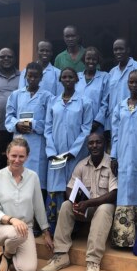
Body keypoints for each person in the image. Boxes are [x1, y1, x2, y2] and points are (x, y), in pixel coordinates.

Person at [40, 132, 117, 271]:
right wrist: (75, 202)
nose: (94, 146)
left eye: (98, 142)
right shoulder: (82, 165)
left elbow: (113, 194)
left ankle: (93, 262)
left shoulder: (111, 165)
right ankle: (61, 255)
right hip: (85, 209)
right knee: (66, 205)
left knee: (105, 208)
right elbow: (70, 188)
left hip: (102, 211)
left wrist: (88, 203)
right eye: (91, 143)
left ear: (105, 144)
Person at [0, 138, 53, 271]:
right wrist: (12, 220)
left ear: (27, 157)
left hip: (23, 230)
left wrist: (46, 232)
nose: (17, 160)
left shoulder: (33, 177)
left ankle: (9, 251)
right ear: (7, 154)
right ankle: (7, 255)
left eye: (21, 156)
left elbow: (39, 206)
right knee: (17, 232)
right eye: (13, 156)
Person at [44, 68, 93, 234]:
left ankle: (75, 229)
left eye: (71, 77)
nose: (67, 79)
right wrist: (51, 151)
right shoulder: (53, 102)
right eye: (64, 77)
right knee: (56, 187)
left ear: (76, 79)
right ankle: (54, 229)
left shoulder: (85, 102)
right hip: (56, 156)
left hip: (76, 155)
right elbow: (48, 128)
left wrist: (73, 151)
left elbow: (86, 129)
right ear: (60, 80)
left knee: (74, 188)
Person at [110, 70, 137, 248]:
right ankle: (124, 240)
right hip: (124, 157)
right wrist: (114, 156)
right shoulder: (120, 106)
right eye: (131, 82)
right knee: (124, 193)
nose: (134, 85)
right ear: (127, 84)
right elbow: (115, 134)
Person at [6, 62, 53, 199]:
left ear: (41, 78)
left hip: (38, 143)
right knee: (18, 176)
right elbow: (9, 117)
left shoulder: (47, 96)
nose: (32, 79)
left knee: (37, 181)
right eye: (30, 76)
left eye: (36, 77)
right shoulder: (16, 95)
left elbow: (50, 122)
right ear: (25, 76)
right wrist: (17, 125)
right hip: (19, 140)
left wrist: (34, 125)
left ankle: (37, 216)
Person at [105, 38, 137, 132]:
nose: (118, 52)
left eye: (121, 49)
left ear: (128, 50)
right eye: (115, 49)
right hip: (114, 120)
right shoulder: (112, 72)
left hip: (131, 116)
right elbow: (108, 98)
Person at [75, 47, 108, 132]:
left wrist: (97, 122)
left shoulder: (104, 77)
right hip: (77, 123)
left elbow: (105, 102)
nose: (91, 61)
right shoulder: (77, 77)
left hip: (96, 125)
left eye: (94, 59)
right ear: (84, 59)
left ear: (98, 61)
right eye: (88, 58)